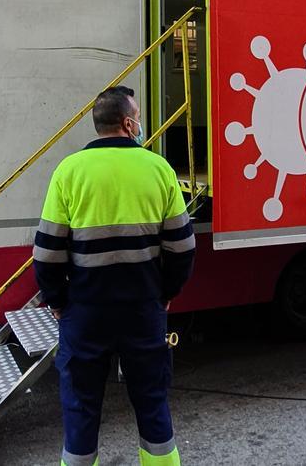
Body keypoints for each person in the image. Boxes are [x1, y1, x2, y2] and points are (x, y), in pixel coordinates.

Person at [33, 85, 196, 466]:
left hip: (86, 312)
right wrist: (165, 292)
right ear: (128, 122)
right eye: (137, 116)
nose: (139, 123)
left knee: (80, 410)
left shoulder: (69, 171)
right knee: (152, 406)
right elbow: (183, 248)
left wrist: (58, 302)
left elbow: (46, 254)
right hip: (143, 309)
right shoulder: (158, 169)